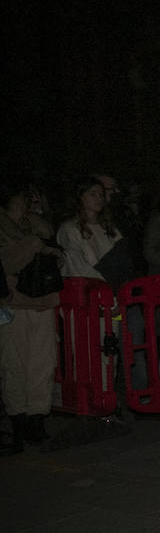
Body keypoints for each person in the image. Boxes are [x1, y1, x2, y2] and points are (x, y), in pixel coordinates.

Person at [0, 182, 63, 451]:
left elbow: (58, 256)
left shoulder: (36, 224)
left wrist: (42, 246)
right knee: (14, 364)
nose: (27, 202)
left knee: (43, 363)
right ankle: (18, 420)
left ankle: (37, 417)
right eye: (23, 197)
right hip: (13, 302)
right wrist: (34, 246)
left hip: (44, 299)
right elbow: (9, 262)